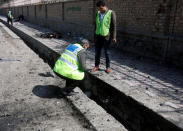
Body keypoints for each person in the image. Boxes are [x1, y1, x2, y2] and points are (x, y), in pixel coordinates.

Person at [91, 0, 117, 73]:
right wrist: (94, 37)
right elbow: (96, 25)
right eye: (99, 9)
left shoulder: (111, 13)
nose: (100, 10)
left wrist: (114, 37)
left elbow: (114, 26)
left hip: (106, 37)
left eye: (101, 8)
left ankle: (108, 67)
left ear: (105, 6)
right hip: (98, 36)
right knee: (97, 52)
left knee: (107, 52)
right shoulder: (98, 13)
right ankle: (96, 66)